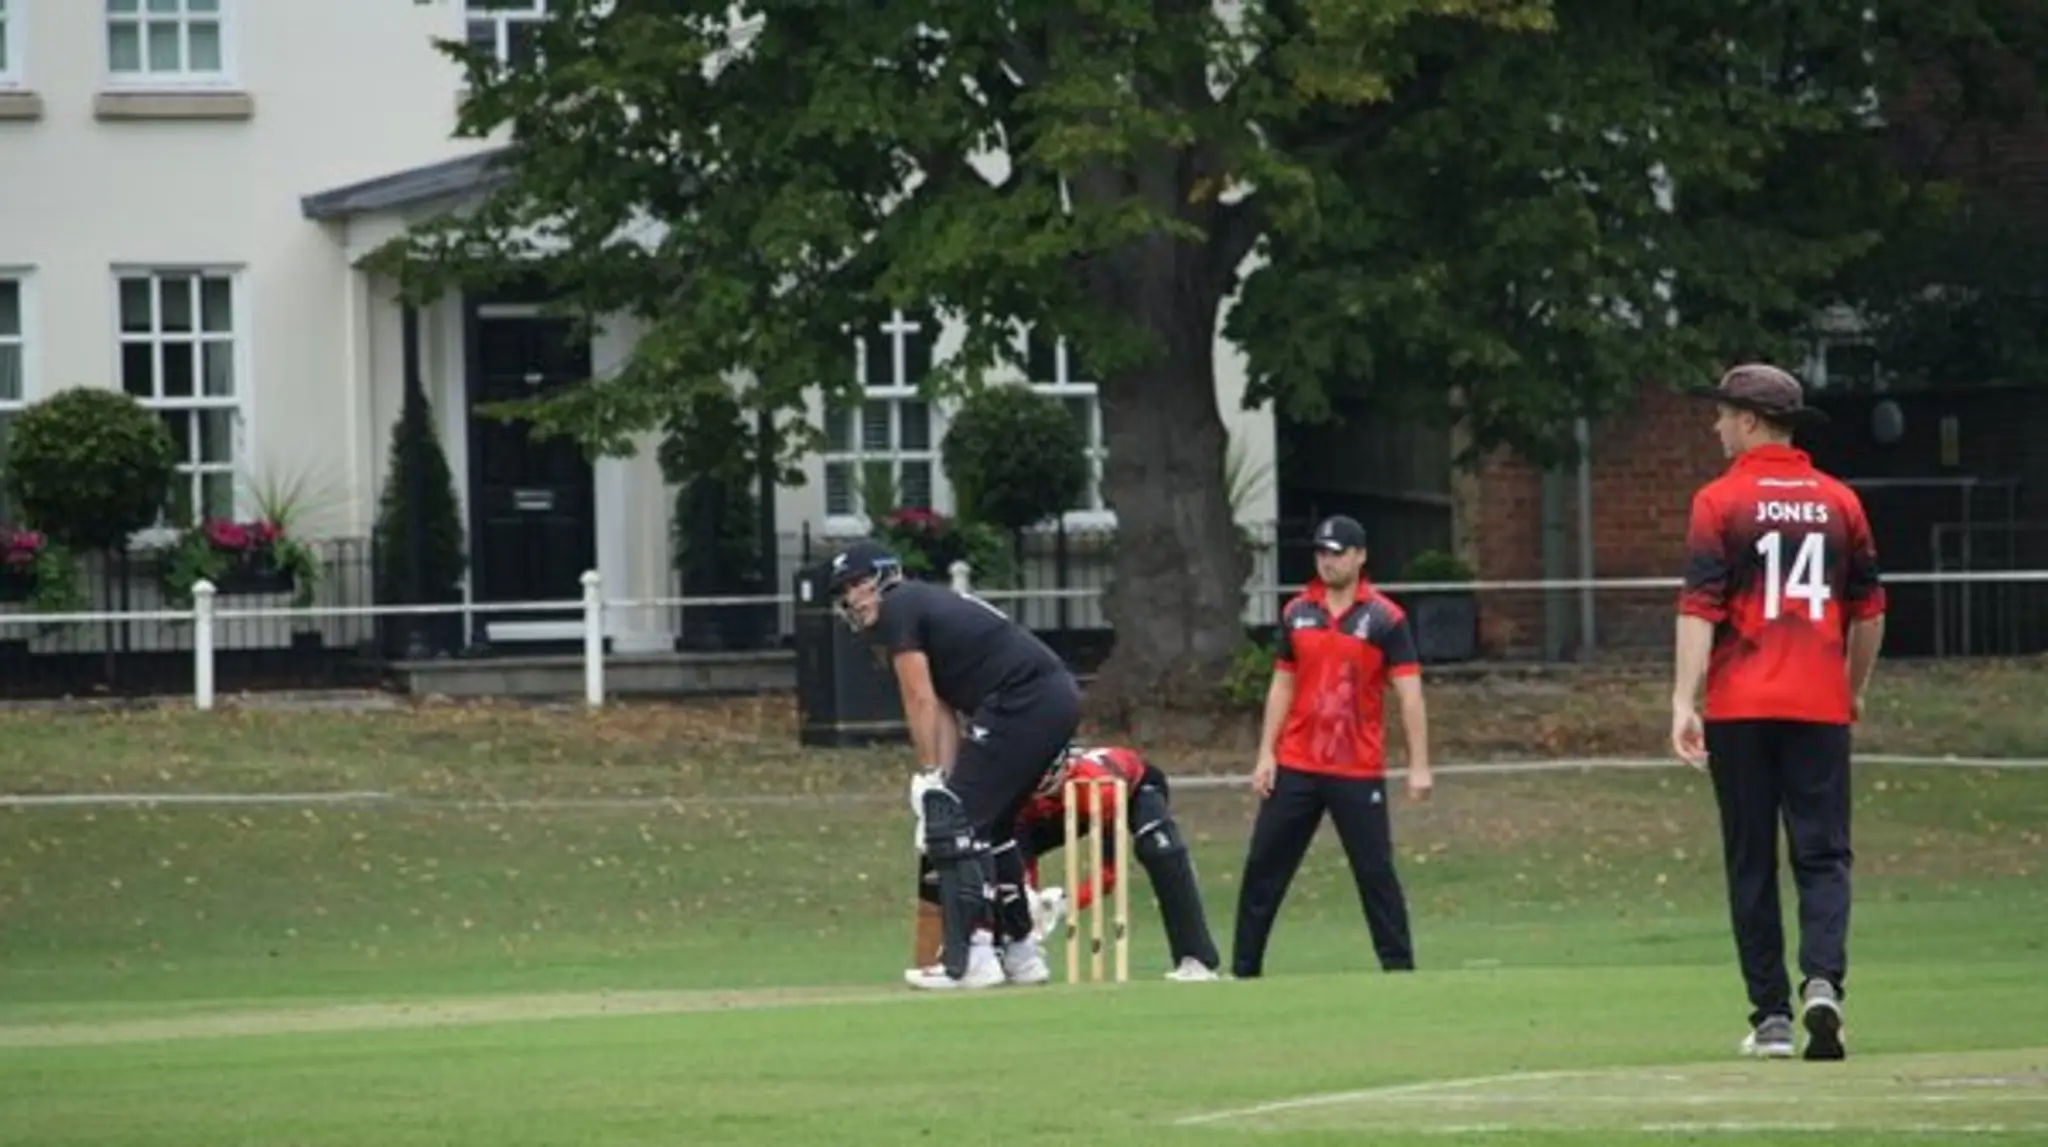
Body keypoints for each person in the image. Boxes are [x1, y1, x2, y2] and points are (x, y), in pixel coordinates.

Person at [1670, 363, 1887, 1062]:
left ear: (1752, 421)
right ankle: (1822, 980)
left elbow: (1699, 610)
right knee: (1823, 853)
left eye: (1724, 414)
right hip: (1817, 704)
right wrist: (1851, 686)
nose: (1716, 425)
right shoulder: (1839, 501)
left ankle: (1771, 1017)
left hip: (1740, 705)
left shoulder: (1717, 501)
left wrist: (1683, 699)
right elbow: (1871, 611)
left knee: (1750, 858)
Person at [827, 539, 1081, 991]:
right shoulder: (923, 604)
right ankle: (1021, 950)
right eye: (845, 589)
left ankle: (973, 957)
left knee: (957, 823)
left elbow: (919, 699)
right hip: (1049, 695)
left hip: (1025, 698)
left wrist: (928, 776)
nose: (852, 596)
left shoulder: (900, 606)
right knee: (993, 826)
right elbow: (944, 710)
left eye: (859, 583)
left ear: (886, 576)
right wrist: (940, 777)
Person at [1231, 514, 1434, 979]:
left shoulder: (1386, 618)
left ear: (1360, 557)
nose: (1329, 561)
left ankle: (1399, 969)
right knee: (1264, 866)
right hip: (1297, 763)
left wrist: (1418, 765)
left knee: (1374, 872)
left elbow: (1409, 694)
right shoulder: (1297, 611)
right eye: (1322, 553)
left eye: (1338, 553)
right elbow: (1282, 685)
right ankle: (1243, 971)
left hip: (1356, 767)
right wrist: (1266, 754)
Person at [908, 742, 1226, 983]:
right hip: (1062, 810)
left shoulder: (1096, 789)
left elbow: (1108, 873)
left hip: (1133, 788)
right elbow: (1018, 855)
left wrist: (1067, 904)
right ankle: (1013, 949)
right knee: (996, 849)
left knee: (1160, 851)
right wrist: (1030, 901)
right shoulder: (1023, 794)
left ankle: (1196, 958)